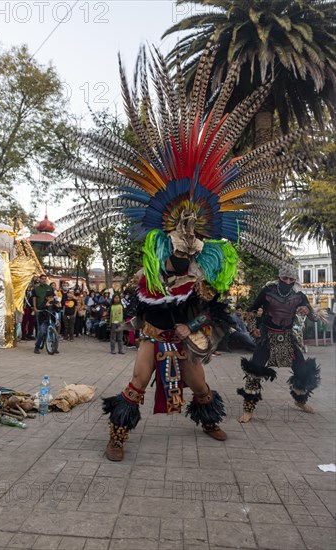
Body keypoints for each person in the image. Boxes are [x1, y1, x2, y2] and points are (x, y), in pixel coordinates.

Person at [49, 48, 312, 462]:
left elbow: (211, 307)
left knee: (200, 383)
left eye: (194, 231)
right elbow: (145, 301)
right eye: (180, 230)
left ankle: (208, 419)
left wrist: (198, 324)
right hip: (154, 337)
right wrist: (168, 308)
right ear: (168, 228)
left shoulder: (203, 268)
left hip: (186, 339)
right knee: (137, 382)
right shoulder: (153, 261)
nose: (188, 236)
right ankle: (118, 434)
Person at [237, 265, 321, 423]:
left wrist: (308, 311)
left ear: (295, 280)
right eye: (285, 278)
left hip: (287, 338)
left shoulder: (299, 295)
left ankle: (300, 401)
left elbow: (315, 318)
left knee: (302, 369)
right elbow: (252, 310)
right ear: (279, 277)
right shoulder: (268, 291)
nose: (288, 281)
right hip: (266, 337)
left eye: (291, 279)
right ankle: (248, 409)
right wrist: (253, 328)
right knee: (255, 369)